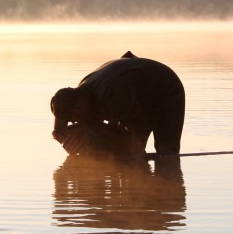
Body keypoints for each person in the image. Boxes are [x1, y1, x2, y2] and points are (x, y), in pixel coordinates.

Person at [51, 52, 185, 157]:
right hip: (131, 92)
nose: (75, 122)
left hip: (165, 90)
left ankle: (169, 183)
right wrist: (66, 141)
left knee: (166, 151)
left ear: (79, 108)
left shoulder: (112, 97)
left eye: (74, 120)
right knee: (97, 135)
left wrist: (136, 152)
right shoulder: (70, 98)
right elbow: (59, 131)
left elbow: (141, 126)